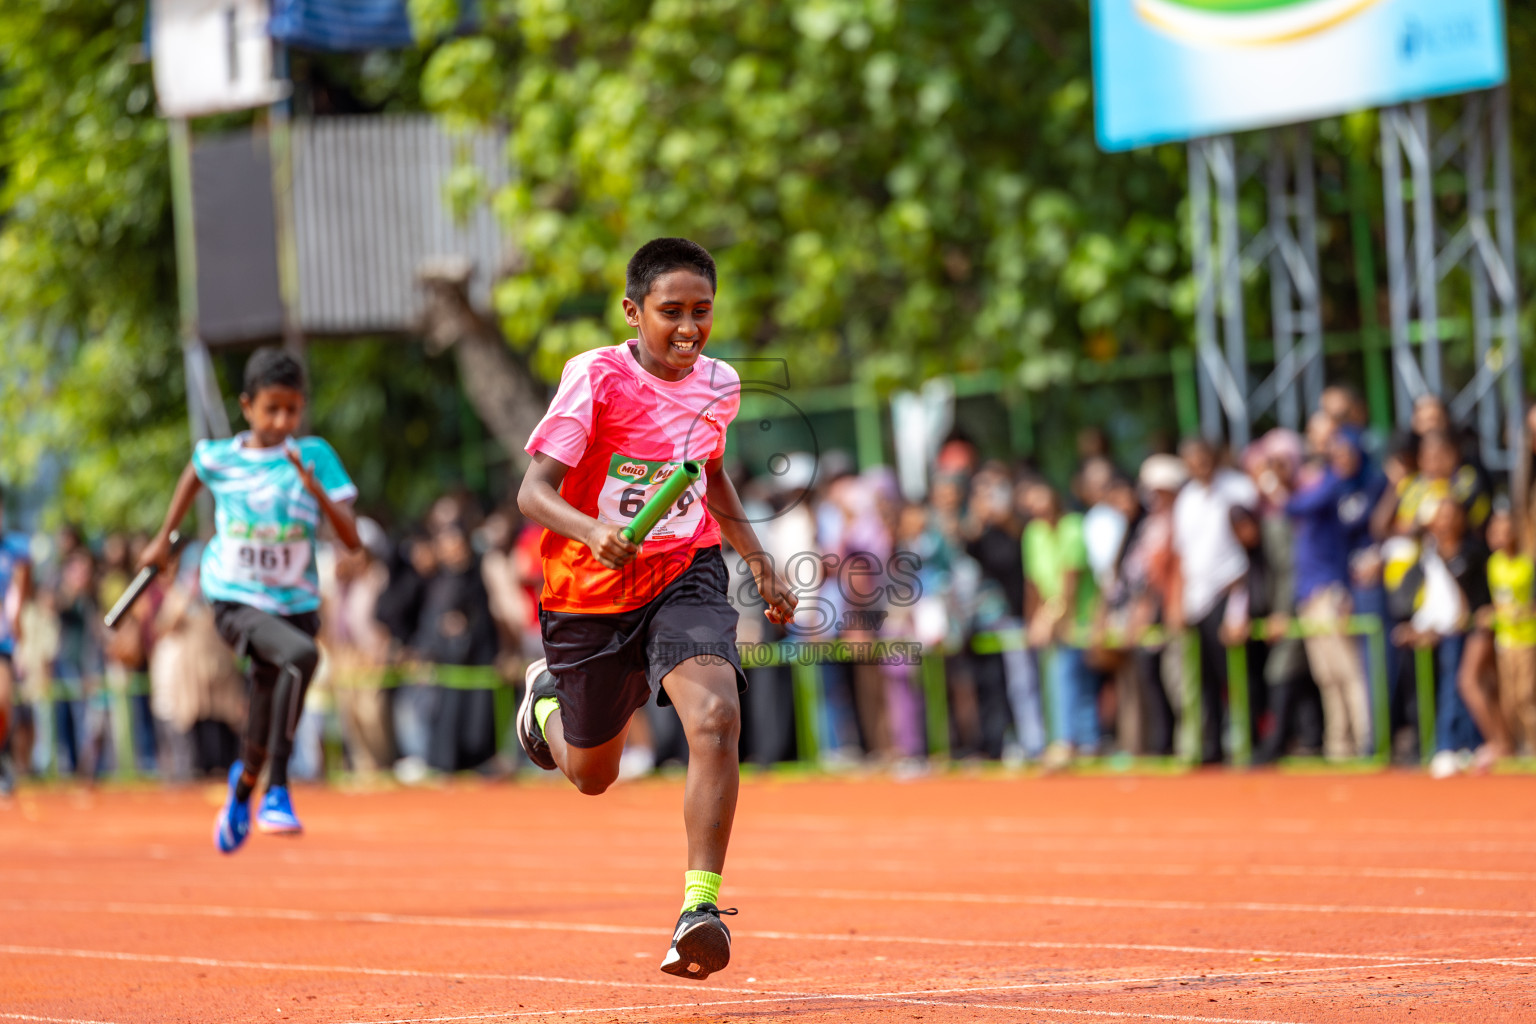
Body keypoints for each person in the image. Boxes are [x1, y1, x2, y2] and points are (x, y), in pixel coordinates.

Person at [515, 238, 796, 980]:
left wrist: (759, 565)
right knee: (592, 775)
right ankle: (544, 703)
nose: (689, 329)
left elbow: (710, 474)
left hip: (684, 572)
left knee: (717, 716)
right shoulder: (595, 378)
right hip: (589, 591)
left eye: (702, 312)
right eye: (670, 312)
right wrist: (591, 531)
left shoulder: (720, 384)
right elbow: (532, 492)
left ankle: (699, 908)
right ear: (632, 311)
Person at [140, 347, 361, 851]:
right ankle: (278, 790)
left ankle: (243, 789)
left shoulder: (316, 456)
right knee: (303, 657)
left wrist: (316, 490)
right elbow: (194, 473)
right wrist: (162, 538)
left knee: (267, 701)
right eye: (271, 409)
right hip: (235, 598)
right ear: (247, 407)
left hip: (295, 603)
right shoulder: (220, 456)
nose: (283, 420)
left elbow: (352, 541)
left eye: (292, 409)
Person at [1170, 437, 1259, 764]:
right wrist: (1177, 601)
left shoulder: (1237, 488)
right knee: (1205, 679)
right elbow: (1181, 554)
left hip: (1231, 590)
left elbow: (1253, 542)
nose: (1198, 465)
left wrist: (1242, 601)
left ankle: (1249, 742)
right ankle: (1213, 746)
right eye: (1191, 460)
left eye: (1202, 457)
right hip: (1197, 597)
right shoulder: (1186, 499)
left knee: (1236, 674)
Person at [1485, 508, 1536, 756]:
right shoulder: (1493, 564)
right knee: (1509, 699)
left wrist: (1524, 612)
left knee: (1527, 696)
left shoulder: (1527, 564)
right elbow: (1497, 602)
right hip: (1504, 638)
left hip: (1527, 638)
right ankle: (1519, 747)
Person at [0, 487, 33, 794]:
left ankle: (2, 761)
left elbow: (17, 602)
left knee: (2, 701)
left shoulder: (15, 550)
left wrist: (20, 644)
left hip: (3, 644)